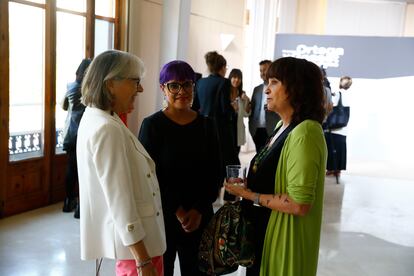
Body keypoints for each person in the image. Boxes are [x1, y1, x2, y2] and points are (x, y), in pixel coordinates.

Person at [225, 57, 327, 276]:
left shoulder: (305, 132)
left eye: (274, 82)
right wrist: (249, 185)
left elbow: (299, 204)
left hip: (282, 239)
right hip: (263, 233)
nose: (267, 89)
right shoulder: (283, 125)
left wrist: (250, 194)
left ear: (296, 88)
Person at [76, 50, 166, 276]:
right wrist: (143, 261)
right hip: (138, 250)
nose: (141, 89)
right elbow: (120, 202)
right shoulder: (106, 128)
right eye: (135, 81)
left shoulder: (100, 117)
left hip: (136, 247)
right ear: (110, 84)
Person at [138, 60, 222, 276]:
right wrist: (179, 211)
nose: (181, 91)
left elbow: (215, 172)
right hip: (164, 216)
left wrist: (198, 209)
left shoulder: (207, 125)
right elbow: (150, 176)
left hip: (200, 216)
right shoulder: (152, 126)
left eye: (187, 85)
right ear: (163, 89)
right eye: (174, 85)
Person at [192, 51, 239, 167]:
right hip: (219, 128)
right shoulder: (224, 82)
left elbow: (195, 107)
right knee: (223, 162)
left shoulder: (200, 82)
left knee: (206, 161)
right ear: (222, 67)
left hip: (202, 126)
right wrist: (234, 109)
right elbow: (225, 109)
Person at [61, 58, 91, 219]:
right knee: (83, 172)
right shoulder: (87, 90)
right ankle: (80, 207)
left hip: (69, 133)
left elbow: (64, 106)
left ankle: (68, 202)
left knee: (71, 170)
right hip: (82, 134)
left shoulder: (70, 87)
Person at [249, 60, 281, 153]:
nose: (262, 73)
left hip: (272, 128)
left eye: (265, 70)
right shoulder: (257, 89)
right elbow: (252, 108)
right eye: (260, 70)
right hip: (256, 130)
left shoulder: (278, 87)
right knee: (258, 156)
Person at [325, 76, 352, 177]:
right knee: (340, 149)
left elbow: (331, 106)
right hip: (343, 129)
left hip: (333, 128)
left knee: (331, 148)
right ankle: (338, 170)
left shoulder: (337, 93)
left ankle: (331, 169)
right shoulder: (350, 95)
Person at [228, 68, 251, 153]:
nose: (237, 80)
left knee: (235, 154)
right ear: (230, 78)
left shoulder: (242, 94)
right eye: (234, 77)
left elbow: (246, 114)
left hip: (238, 128)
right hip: (226, 128)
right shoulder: (225, 93)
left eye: (239, 78)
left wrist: (247, 101)